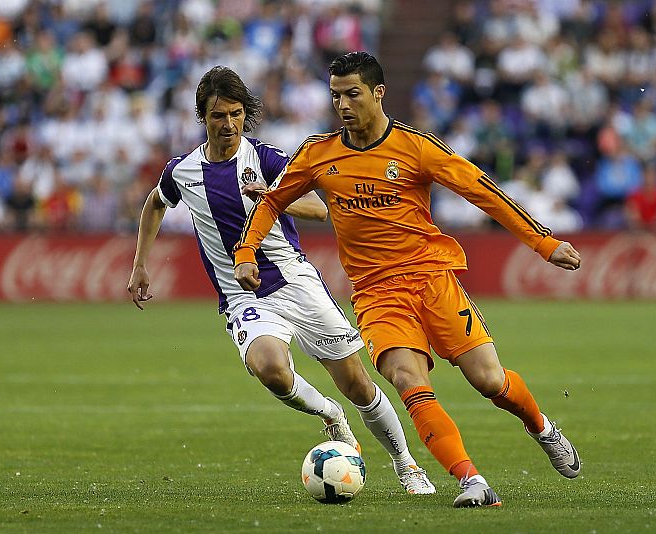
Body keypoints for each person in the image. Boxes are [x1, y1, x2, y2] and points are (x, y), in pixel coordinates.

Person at [234, 52, 582, 508]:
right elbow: (272, 201)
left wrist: (543, 243)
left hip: (432, 279)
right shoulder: (318, 154)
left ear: (378, 93)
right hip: (377, 294)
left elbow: (484, 191)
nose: (342, 104)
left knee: (490, 381)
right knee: (406, 379)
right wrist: (246, 251)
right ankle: (471, 480)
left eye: (352, 94)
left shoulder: (416, 147)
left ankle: (541, 427)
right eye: (335, 95)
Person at [126, 66, 434, 495]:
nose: (228, 124)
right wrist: (141, 263)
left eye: (235, 114)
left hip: (295, 283)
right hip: (241, 295)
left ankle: (407, 465)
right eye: (218, 116)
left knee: (358, 384)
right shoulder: (183, 170)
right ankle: (330, 415)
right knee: (269, 368)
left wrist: (270, 197)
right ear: (204, 117)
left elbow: (317, 208)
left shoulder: (266, 158)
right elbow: (155, 204)